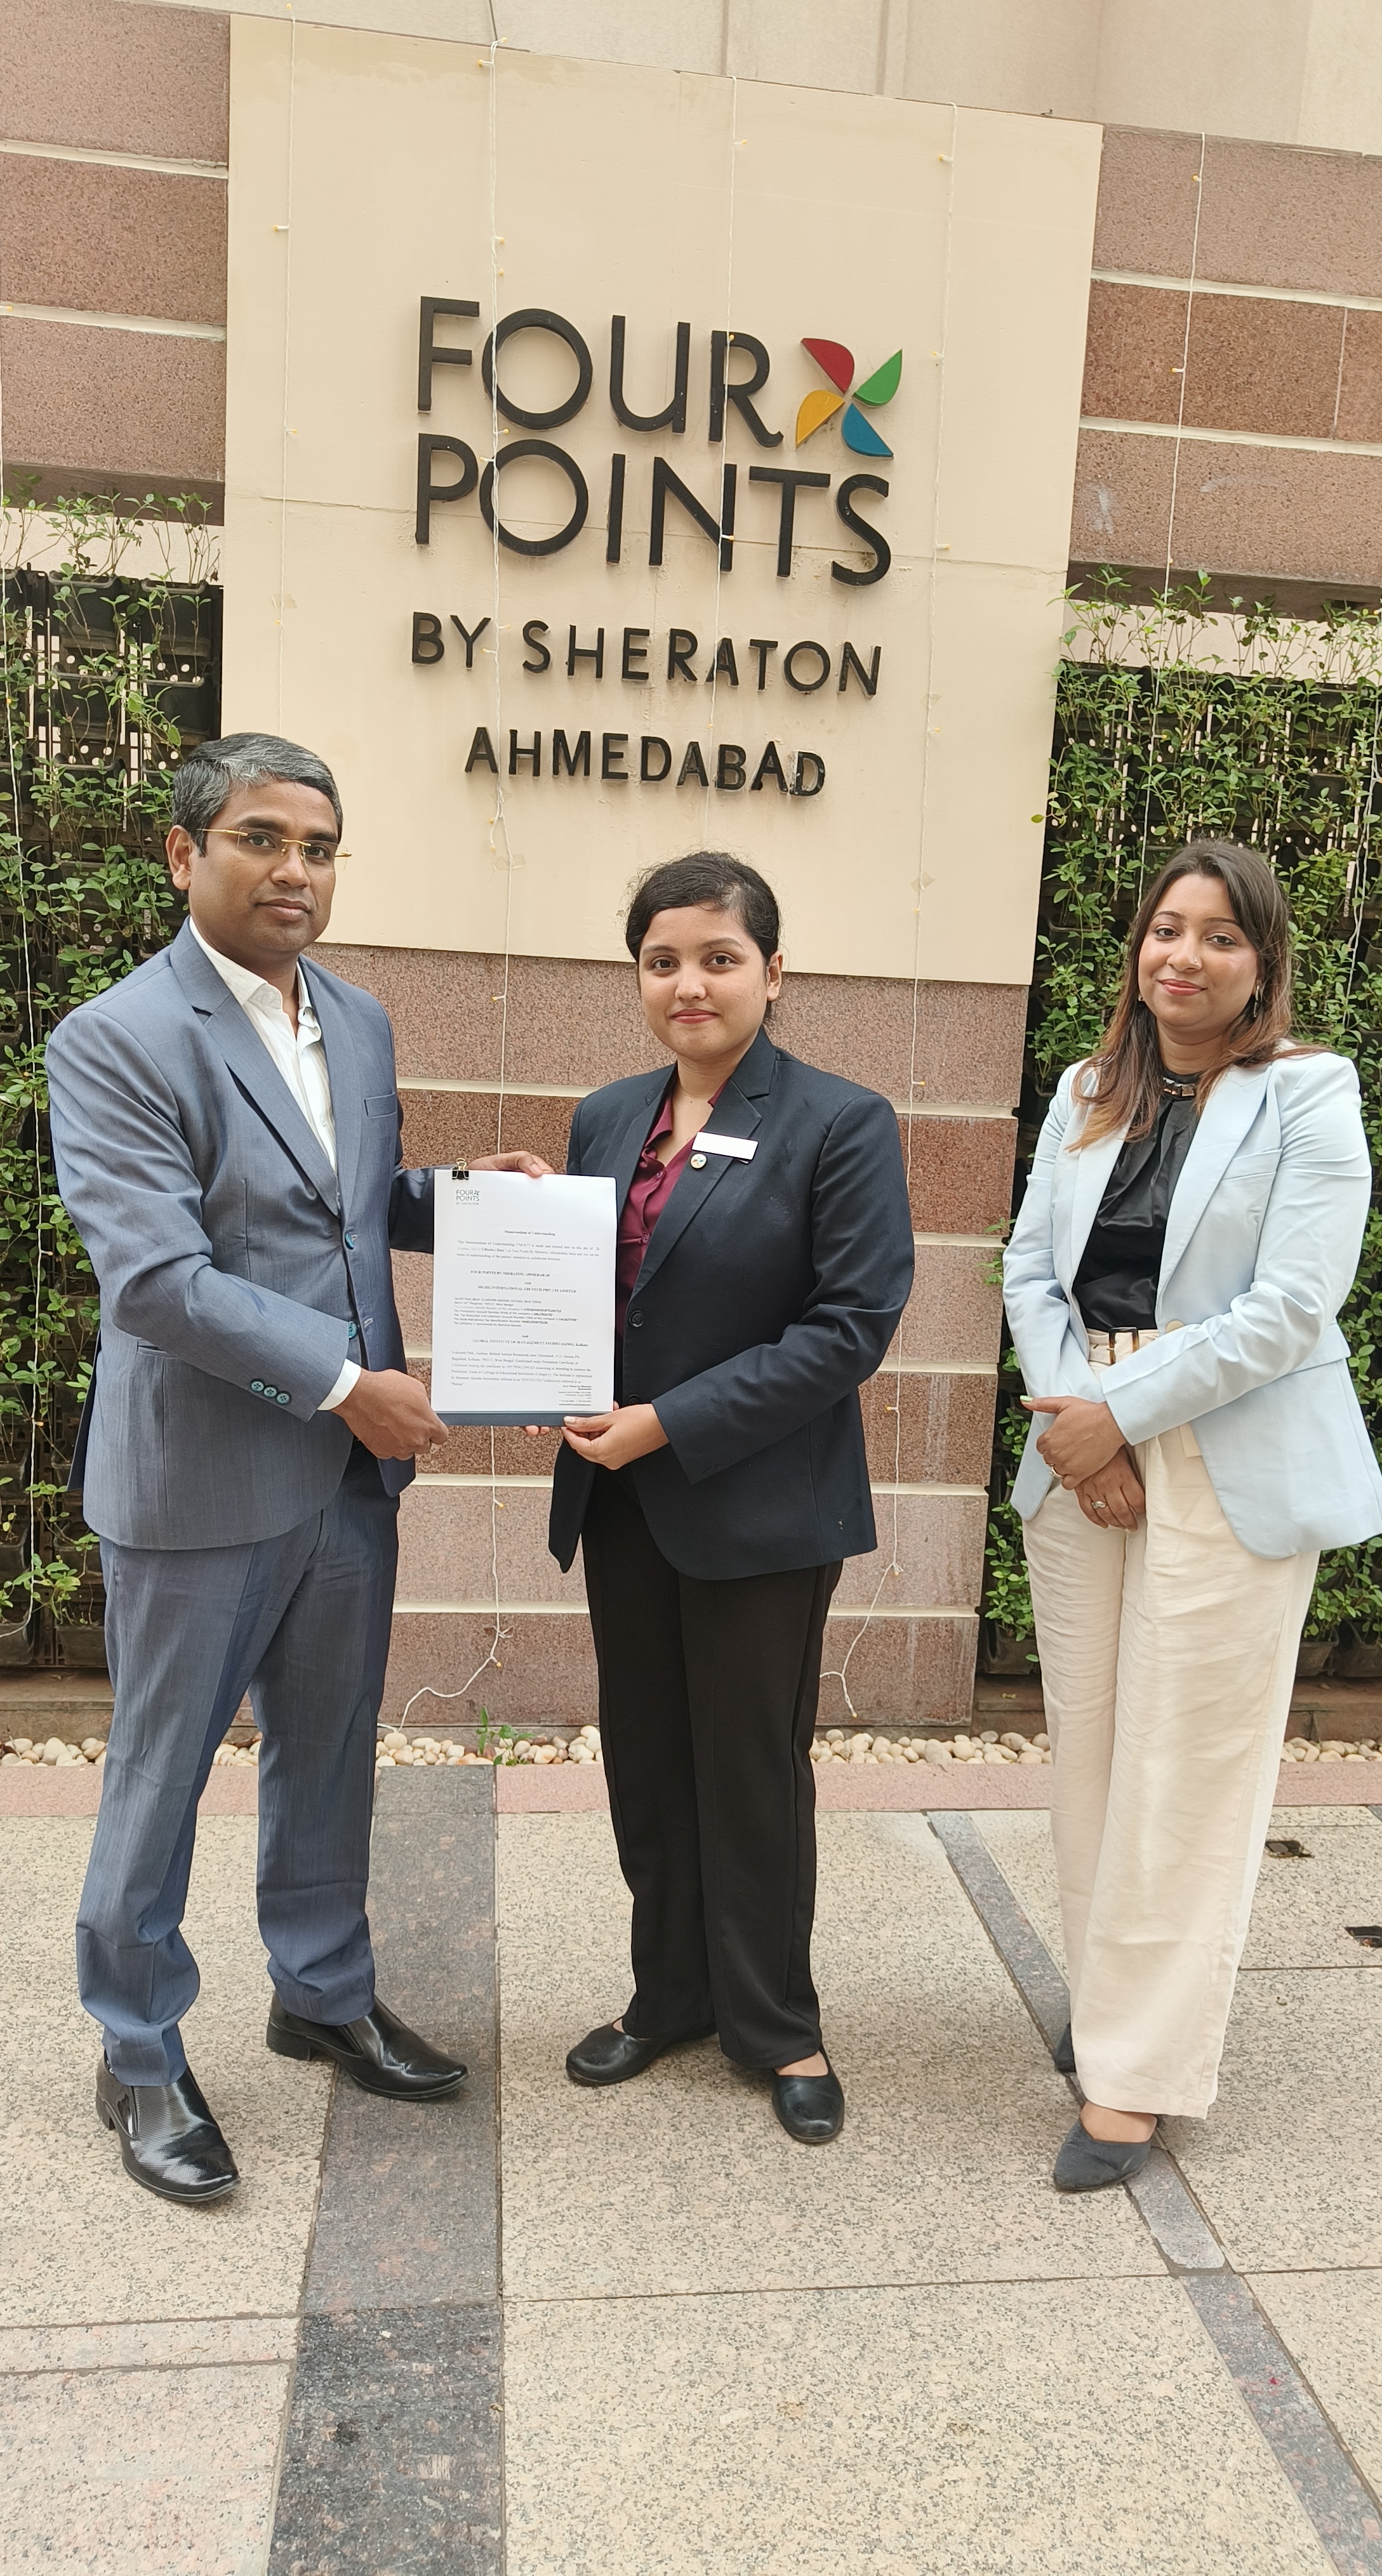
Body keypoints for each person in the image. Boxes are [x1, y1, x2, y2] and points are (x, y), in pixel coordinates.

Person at [45, 732, 550, 2205]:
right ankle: (139, 2047)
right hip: (201, 1480)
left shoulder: (359, 1019)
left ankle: (321, 1991)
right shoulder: (118, 1037)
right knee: (161, 1774)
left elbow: (344, 1204)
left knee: (329, 1749)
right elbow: (157, 1277)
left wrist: (459, 1198)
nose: (295, 870)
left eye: (318, 847)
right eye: (261, 838)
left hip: (341, 1484)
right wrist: (347, 1382)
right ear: (184, 853)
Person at [1003, 838, 1382, 2191]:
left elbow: (1292, 1307)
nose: (1185, 955)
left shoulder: (1309, 1091)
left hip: (1225, 1447)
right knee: (1095, 1750)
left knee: (1187, 1769)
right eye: (1167, 927)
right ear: (1138, 949)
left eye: (1221, 935)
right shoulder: (1085, 1088)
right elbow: (1031, 1270)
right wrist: (1080, 1422)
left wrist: (1124, 1415)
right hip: (1080, 1439)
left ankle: (1138, 2075)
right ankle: (1113, 2000)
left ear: (1262, 962)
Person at [545, 852, 914, 2144]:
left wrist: (666, 1422)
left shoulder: (840, 1121)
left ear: (773, 971)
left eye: (718, 958)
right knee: (648, 1760)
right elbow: (594, 1292)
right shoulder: (607, 1117)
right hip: (622, 1503)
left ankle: (777, 2024)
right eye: (663, 961)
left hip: (758, 1505)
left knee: (751, 1771)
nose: (688, 984)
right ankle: (671, 1993)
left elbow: (849, 1326)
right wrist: (541, 1342)